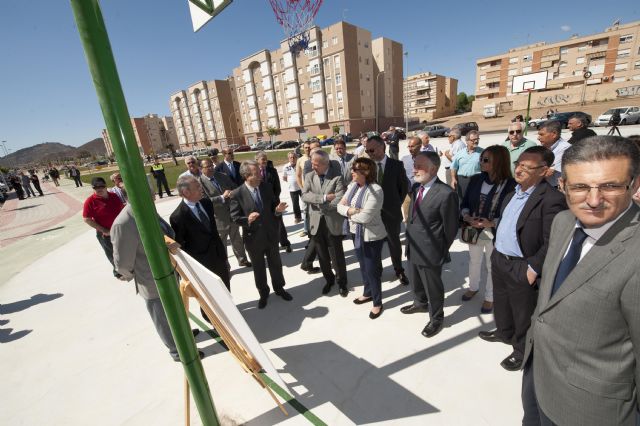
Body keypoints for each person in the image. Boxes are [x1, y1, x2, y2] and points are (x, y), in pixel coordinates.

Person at [522, 136, 640, 425]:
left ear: (634, 185)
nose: (594, 200)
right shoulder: (563, 221)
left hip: (588, 410)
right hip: (537, 377)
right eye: (579, 187)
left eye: (610, 186)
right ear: (563, 185)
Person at [478, 146, 566, 372]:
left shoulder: (552, 199)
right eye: (519, 164)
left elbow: (553, 241)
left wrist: (533, 268)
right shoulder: (511, 193)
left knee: (523, 312)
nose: (519, 170)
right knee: (502, 302)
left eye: (527, 167)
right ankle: (504, 332)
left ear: (544, 171)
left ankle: (521, 350)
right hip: (500, 259)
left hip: (522, 265)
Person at [110, 201, 203, 362]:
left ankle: (183, 336)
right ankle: (177, 350)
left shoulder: (146, 208)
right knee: (162, 317)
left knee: (177, 308)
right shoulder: (124, 222)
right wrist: (128, 275)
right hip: (151, 281)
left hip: (170, 273)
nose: (152, 196)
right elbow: (123, 263)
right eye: (149, 192)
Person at [402, 152, 459, 337]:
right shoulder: (417, 188)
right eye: (414, 165)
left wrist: (438, 250)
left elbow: (450, 229)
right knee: (415, 279)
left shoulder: (446, 194)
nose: (414, 169)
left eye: (419, 166)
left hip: (430, 251)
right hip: (413, 246)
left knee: (432, 287)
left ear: (433, 169)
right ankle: (419, 303)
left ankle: (436, 318)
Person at [459, 145, 516, 314]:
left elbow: (512, 212)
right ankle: (473, 287)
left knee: (492, 266)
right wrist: (467, 216)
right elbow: (466, 202)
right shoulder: (476, 179)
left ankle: (490, 297)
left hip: (494, 231)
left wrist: (492, 223)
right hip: (473, 228)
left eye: (485, 160)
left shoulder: (510, 185)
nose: (481, 162)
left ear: (498, 162)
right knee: (474, 260)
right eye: (481, 159)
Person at [229, 160, 292, 309]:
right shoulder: (237, 194)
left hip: (270, 234)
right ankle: (263, 293)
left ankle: (279, 288)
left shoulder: (266, 187)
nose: (260, 176)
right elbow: (234, 217)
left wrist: (278, 210)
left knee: (276, 264)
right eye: (257, 174)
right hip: (253, 239)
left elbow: (273, 208)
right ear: (246, 176)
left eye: (260, 172)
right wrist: (247, 220)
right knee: (258, 268)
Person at [338, 157, 387, 318]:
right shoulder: (353, 186)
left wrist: (349, 212)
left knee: (372, 270)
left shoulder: (376, 190)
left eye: (355, 169)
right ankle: (368, 292)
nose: (351, 171)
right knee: (363, 266)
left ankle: (377, 303)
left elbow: (366, 217)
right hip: (355, 233)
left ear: (366, 172)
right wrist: (352, 211)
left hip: (371, 236)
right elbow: (339, 206)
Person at [169, 175, 231, 290]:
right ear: (186, 192)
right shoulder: (178, 217)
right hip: (201, 264)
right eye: (197, 187)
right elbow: (181, 246)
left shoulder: (207, 203)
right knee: (209, 299)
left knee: (225, 291)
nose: (201, 189)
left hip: (219, 257)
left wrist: (223, 255)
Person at [302, 150, 348, 297]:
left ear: (325, 164)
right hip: (316, 223)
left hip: (332, 222)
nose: (313, 167)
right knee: (322, 256)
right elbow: (305, 195)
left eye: (316, 164)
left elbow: (339, 199)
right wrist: (323, 198)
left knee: (337, 255)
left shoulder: (337, 178)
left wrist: (322, 204)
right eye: (312, 164)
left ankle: (342, 283)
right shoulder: (309, 176)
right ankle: (329, 280)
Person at [366, 135, 410, 285]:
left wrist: (394, 203)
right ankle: (377, 271)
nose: (369, 154)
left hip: (391, 214)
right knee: (375, 245)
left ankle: (399, 269)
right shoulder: (366, 167)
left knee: (394, 243)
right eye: (367, 151)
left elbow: (403, 188)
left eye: (371, 150)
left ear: (382, 147)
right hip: (372, 216)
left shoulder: (396, 165)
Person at [199, 158, 251, 268]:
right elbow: (204, 201)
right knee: (221, 244)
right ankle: (225, 265)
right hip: (218, 218)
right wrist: (222, 197)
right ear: (201, 169)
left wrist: (232, 193)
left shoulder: (221, 176)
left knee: (236, 238)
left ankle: (242, 260)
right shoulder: (200, 183)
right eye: (207, 167)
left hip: (232, 213)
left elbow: (234, 187)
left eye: (212, 165)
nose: (211, 168)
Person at [82, 177, 125, 277]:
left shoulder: (114, 196)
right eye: (96, 187)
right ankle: (118, 272)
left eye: (101, 186)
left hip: (119, 230)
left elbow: (122, 210)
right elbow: (86, 218)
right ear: (93, 188)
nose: (99, 189)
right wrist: (104, 230)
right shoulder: (90, 201)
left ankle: (128, 268)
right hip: (105, 234)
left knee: (124, 250)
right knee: (112, 253)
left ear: (106, 186)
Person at [256, 151, 291, 252]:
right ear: (257, 160)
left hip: (274, 202)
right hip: (261, 203)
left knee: (279, 223)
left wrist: (273, 200)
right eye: (263, 159)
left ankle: (285, 243)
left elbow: (278, 188)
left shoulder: (273, 171)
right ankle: (269, 246)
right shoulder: (254, 172)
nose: (265, 161)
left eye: (266, 159)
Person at [536, 120, 571, 188]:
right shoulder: (545, 146)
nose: (538, 138)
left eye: (541, 134)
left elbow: (548, 172)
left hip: (556, 188)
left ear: (554, 134)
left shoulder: (565, 149)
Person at [450, 130, 483, 198]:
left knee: (475, 201)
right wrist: (453, 179)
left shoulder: (483, 152)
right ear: (467, 141)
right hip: (462, 180)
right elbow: (454, 167)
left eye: (477, 139)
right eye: (473, 140)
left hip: (477, 180)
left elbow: (488, 166)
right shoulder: (460, 153)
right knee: (462, 201)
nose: (476, 141)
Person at [400, 136, 423, 222]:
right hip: (408, 194)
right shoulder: (404, 160)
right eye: (409, 146)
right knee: (408, 217)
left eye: (412, 146)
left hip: (422, 194)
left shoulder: (427, 159)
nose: (410, 148)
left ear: (420, 146)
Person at [282, 151, 302, 224]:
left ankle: (308, 215)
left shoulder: (299, 165)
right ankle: (298, 217)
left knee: (305, 202)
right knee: (295, 204)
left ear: (296, 158)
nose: (292, 159)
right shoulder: (285, 167)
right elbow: (284, 177)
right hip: (292, 189)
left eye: (294, 157)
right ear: (288, 158)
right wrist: (291, 181)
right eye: (291, 157)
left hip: (301, 187)